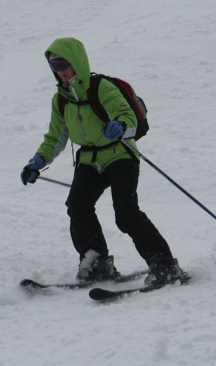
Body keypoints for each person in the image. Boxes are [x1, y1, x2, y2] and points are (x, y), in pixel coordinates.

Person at [20, 37, 189, 286]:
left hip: (120, 154)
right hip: (89, 159)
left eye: (64, 64)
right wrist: (38, 161)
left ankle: (164, 264)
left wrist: (120, 125)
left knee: (125, 212)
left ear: (77, 62)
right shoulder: (61, 99)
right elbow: (56, 138)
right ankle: (96, 261)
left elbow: (128, 116)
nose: (61, 71)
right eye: (55, 66)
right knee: (77, 205)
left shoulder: (101, 87)